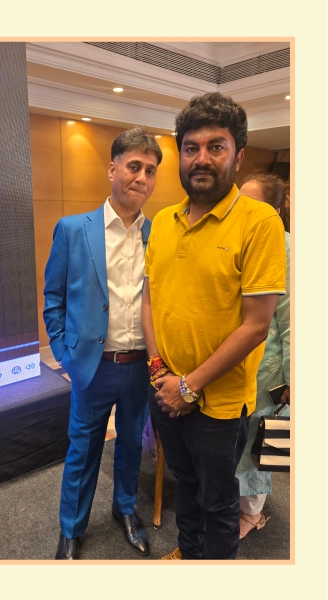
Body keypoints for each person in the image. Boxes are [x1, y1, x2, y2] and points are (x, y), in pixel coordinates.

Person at [144, 92, 286, 560]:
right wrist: (160, 371)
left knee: (219, 500)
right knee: (185, 485)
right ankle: (188, 555)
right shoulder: (163, 221)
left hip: (218, 404)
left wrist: (188, 387)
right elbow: (150, 298)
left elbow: (257, 326)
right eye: (191, 147)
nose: (201, 158)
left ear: (238, 156)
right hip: (165, 388)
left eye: (216, 146)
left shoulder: (259, 221)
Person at [41, 128, 160, 559]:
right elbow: (54, 298)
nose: (142, 178)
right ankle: (71, 528)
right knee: (83, 450)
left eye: (150, 171)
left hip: (141, 365)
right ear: (112, 169)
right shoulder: (74, 229)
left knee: (130, 446)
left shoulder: (160, 235)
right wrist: (65, 354)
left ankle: (125, 509)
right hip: (93, 366)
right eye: (134, 167)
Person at [232, 172, 289, 540]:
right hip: (240, 363)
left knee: (263, 441)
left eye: (251, 205)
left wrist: (292, 380)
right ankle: (240, 502)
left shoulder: (288, 249)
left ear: (274, 211)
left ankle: (252, 513)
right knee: (240, 442)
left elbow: (294, 322)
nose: (243, 210)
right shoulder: (244, 242)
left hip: (272, 370)